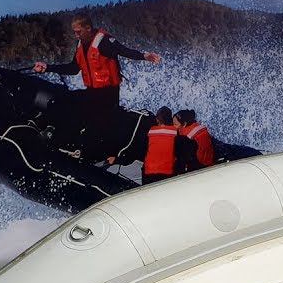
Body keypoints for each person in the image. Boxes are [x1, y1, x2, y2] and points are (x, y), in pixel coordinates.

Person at [33, 14, 162, 163]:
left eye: (78, 32)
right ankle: (53, 134)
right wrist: (48, 68)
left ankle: (88, 154)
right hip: (93, 92)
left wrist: (144, 56)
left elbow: (124, 51)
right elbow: (74, 68)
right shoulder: (80, 44)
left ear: (88, 28)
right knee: (67, 100)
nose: (76, 35)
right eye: (74, 32)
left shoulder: (104, 41)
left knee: (95, 121)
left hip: (108, 94)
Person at [142, 106, 180, 185]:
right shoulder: (175, 131)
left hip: (149, 171)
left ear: (157, 119)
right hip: (167, 172)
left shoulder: (151, 130)